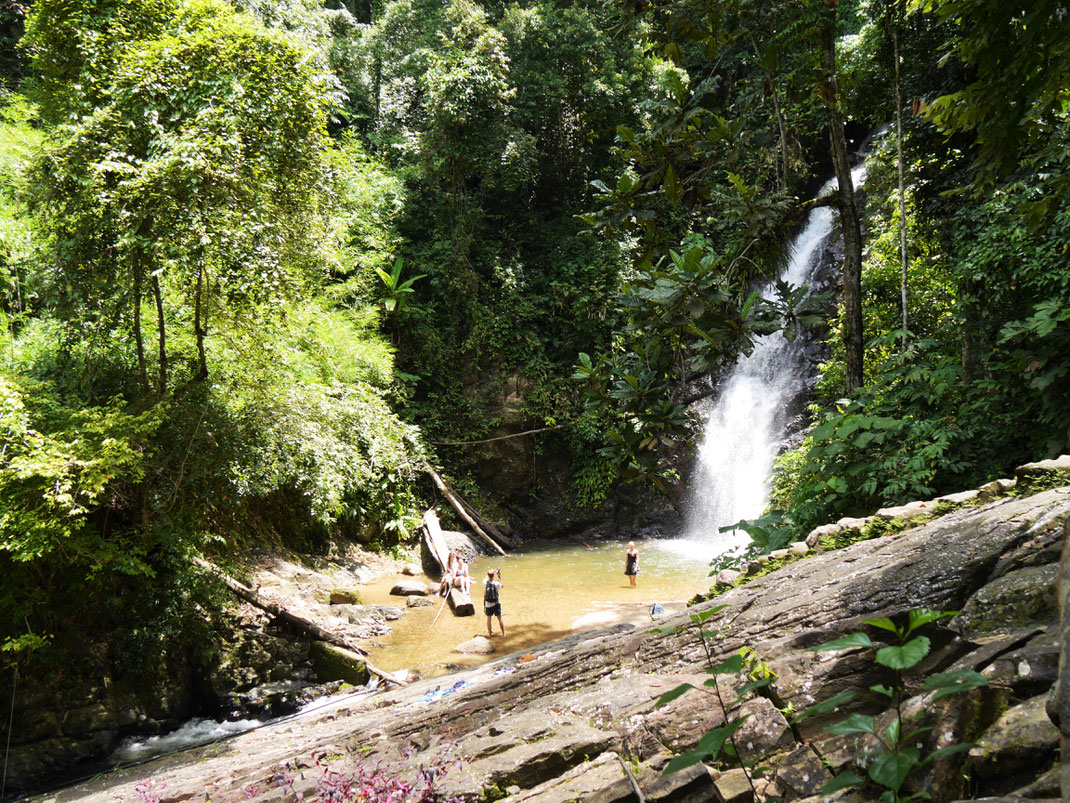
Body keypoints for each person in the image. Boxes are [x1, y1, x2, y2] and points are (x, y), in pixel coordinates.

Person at [483, 568, 504, 636]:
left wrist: (492, 571)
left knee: (489, 619)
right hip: (496, 603)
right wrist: (499, 576)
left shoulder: (484, 582)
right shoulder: (496, 583)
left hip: (488, 604)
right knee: (499, 618)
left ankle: (490, 634)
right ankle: (503, 633)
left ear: (488, 575)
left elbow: (486, 577)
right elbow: (502, 585)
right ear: (493, 576)